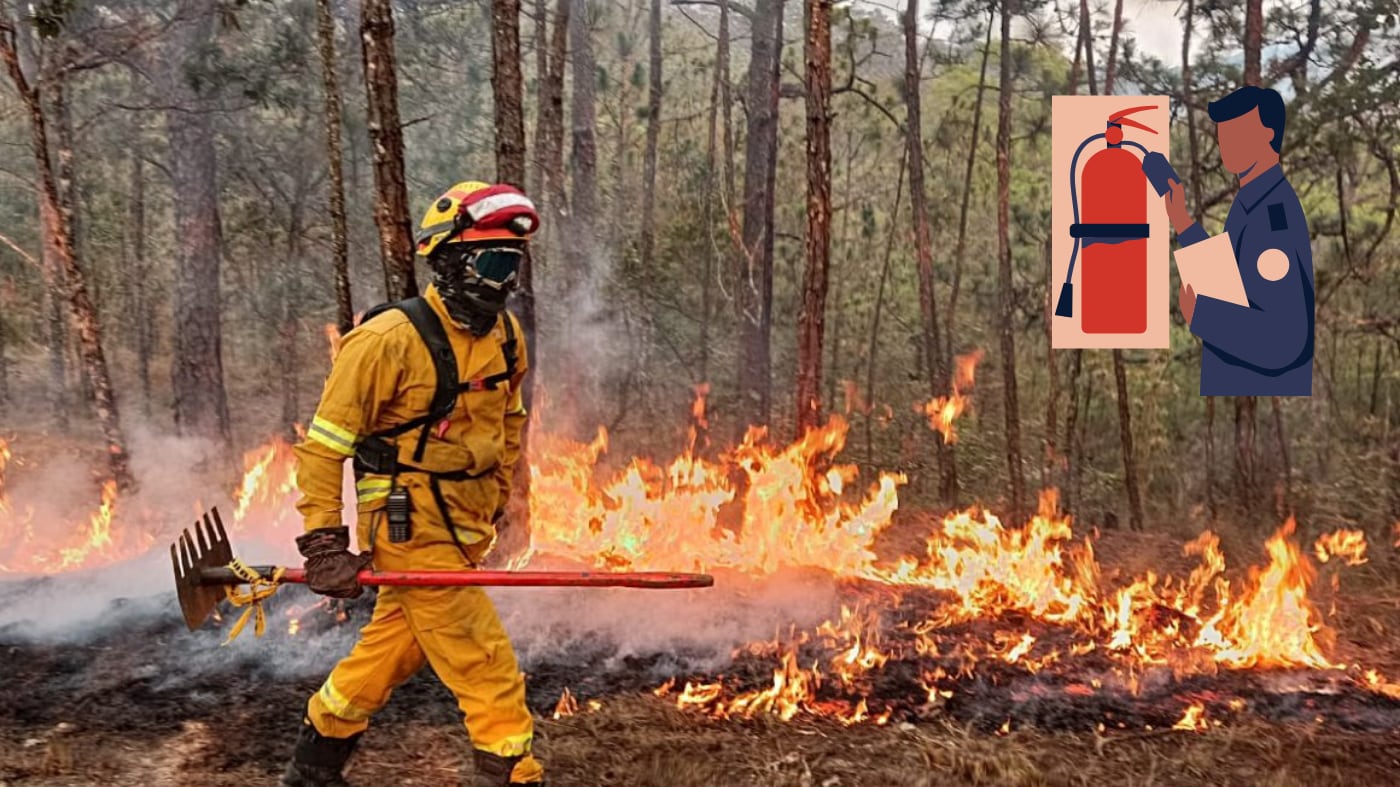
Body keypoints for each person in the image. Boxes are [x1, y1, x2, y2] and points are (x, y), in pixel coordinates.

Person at [280, 181, 545, 787]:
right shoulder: (385, 341)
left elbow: (508, 424)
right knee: (486, 665)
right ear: (449, 259)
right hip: (408, 522)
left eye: (514, 262)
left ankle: (312, 768)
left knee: (393, 647)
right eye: (493, 261)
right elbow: (323, 448)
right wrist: (323, 543)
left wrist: (499, 505)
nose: (506, 280)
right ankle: (514, 772)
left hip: (465, 526)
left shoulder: (506, 337)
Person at [1165, 85, 1314, 396]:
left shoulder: (1274, 217)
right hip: (1242, 384)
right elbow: (1230, 284)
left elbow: (1284, 338)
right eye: (1224, 131)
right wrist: (1181, 219)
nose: (1226, 140)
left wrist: (1202, 315)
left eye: (1240, 130)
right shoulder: (1253, 199)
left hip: (1257, 386)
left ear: (1269, 135)